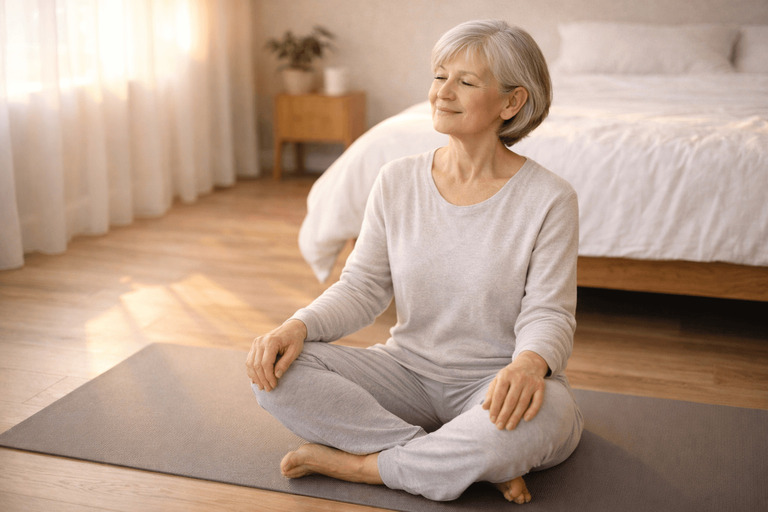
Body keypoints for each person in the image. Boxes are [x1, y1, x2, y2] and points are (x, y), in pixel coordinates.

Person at [246, 19, 583, 504]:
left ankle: (364, 466)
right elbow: (361, 287)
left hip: (498, 380)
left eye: (466, 82)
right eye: (439, 75)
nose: (442, 93)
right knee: (276, 374)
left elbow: (549, 312)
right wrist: (297, 327)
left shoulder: (550, 198)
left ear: (512, 103)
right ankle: (456, 461)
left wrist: (530, 366)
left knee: (550, 415)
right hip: (406, 372)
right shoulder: (396, 180)